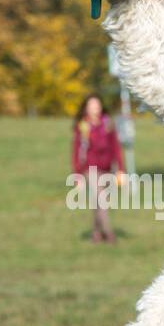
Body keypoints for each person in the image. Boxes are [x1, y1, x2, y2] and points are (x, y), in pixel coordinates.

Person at [71, 94, 125, 243]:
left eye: (97, 105)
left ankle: (96, 234)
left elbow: (116, 147)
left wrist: (121, 169)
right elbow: (76, 151)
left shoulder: (108, 123)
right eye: (91, 106)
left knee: (99, 202)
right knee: (102, 200)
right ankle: (109, 234)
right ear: (86, 108)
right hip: (90, 169)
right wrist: (77, 175)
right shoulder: (82, 126)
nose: (95, 108)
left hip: (107, 168)